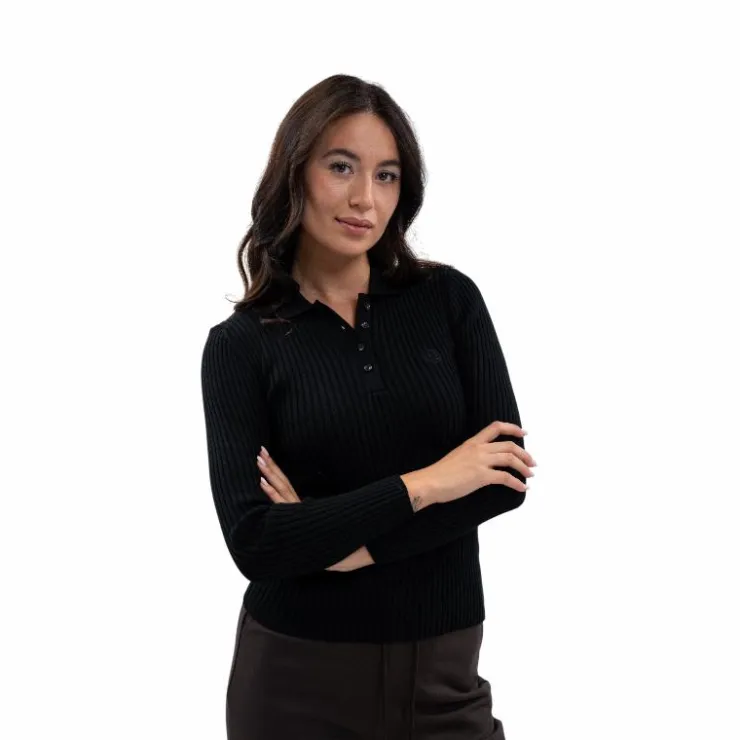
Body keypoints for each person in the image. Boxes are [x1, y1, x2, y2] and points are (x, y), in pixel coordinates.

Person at [200, 73, 536, 740]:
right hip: (295, 684)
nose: (365, 198)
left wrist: (352, 548)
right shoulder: (240, 346)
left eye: (386, 176)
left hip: (444, 681)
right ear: (294, 173)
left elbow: (503, 477)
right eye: (341, 167)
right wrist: (428, 483)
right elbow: (258, 541)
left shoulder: (448, 300)